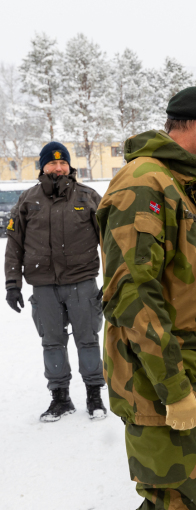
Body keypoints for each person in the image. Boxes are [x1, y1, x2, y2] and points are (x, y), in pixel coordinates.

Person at [97, 87, 196, 510]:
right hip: (160, 380)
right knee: (171, 500)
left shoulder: (186, 184)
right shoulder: (144, 184)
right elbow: (133, 294)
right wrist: (173, 389)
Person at [4, 142, 106, 422]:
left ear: (70, 166)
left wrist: (113, 281)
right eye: (52, 163)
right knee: (52, 343)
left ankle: (94, 394)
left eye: (63, 163)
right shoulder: (28, 200)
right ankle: (60, 397)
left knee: (88, 340)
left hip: (82, 283)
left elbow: (109, 241)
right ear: (43, 167)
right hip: (44, 285)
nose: (58, 168)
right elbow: (14, 244)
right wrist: (12, 283)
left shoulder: (87, 197)